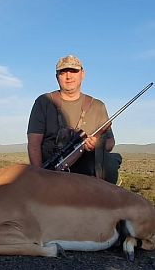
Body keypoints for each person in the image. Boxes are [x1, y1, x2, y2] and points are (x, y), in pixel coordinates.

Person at [27, 55, 122, 184]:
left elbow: (110, 142)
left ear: (82, 74)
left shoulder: (98, 106)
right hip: (51, 170)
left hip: (85, 169)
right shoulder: (43, 102)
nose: (68, 76)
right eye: (63, 72)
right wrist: (40, 177)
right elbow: (33, 143)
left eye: (73, 71)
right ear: (57, 77)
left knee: (110, 163)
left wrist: (97, 144)